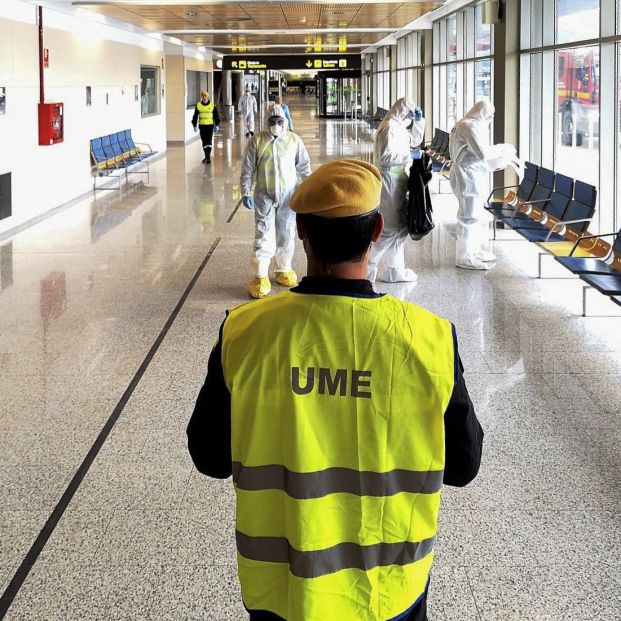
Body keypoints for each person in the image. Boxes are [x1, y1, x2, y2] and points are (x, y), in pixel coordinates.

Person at [187, 158, 483, 621]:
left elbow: (209, 459)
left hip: (279, 589)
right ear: (377, 229)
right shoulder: (429, 340)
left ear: (301, 229)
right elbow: (464, 466)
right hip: (387, 591)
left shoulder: (244, 332)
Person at [240, 109, 311, 299]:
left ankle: (283, 268)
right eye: (273, 121)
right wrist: (245, 191)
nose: (276, 125)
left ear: (285, 121)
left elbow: (304, 166)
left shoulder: (293, 140)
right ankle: (259, 275)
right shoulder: (257, 141)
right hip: (264, 195)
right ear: (266, 121)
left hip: (289, 196)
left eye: (280, 121)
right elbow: (247, 168)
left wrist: (309, 187)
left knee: (286, 232)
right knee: (263, 233)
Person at [449, 101, 521, 270]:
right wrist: (503, 150)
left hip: (471, 173)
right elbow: (482, 153)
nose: (490, 119)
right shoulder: (469, 126)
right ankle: (464, 256)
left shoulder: (467, 124)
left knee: (474, 214)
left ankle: (473, 250)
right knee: (469, 216)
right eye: (489, 115)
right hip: (467, 175)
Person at [367, 98, 425, 283]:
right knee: (388, 228)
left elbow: (414, 139)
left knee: (400, 229)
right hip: (389, 181)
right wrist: (410, 155)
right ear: (402, 113)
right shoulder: (388, 127)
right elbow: (385, 156)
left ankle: (395, 270)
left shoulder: (399, 126)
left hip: (399, 179)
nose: (409, 117)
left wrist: (419, 122)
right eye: (409, 114)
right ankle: (367, 270)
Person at [191, 90, 220, 164]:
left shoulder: (212, 105)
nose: (204, 97)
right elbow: (195, 116)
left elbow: (216, 115)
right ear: (201, 96)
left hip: (210, 125)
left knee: (209, 141)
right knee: (204, 141)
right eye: (203, 96)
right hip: (202, 125)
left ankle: (208, 157)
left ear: (208, 96)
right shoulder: (198, 105)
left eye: (205, 96)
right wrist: (194, 125)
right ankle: (206, 156)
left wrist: (217, 124)